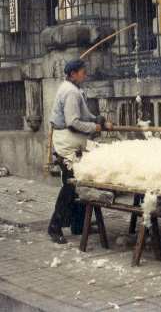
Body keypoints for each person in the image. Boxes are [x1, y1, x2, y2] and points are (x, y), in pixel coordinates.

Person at [47, 59, 112, 244]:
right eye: (83, 71)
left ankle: (78, 225)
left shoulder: (74, 90)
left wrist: (97, 120)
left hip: (71, 141)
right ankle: (54, 226)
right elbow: (73, 122)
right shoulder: (70, 92)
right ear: (73, 74)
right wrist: (94, 127)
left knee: (80, 182)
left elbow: (83, 115)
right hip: (67, 144)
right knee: (71, 185)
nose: (85, 74)